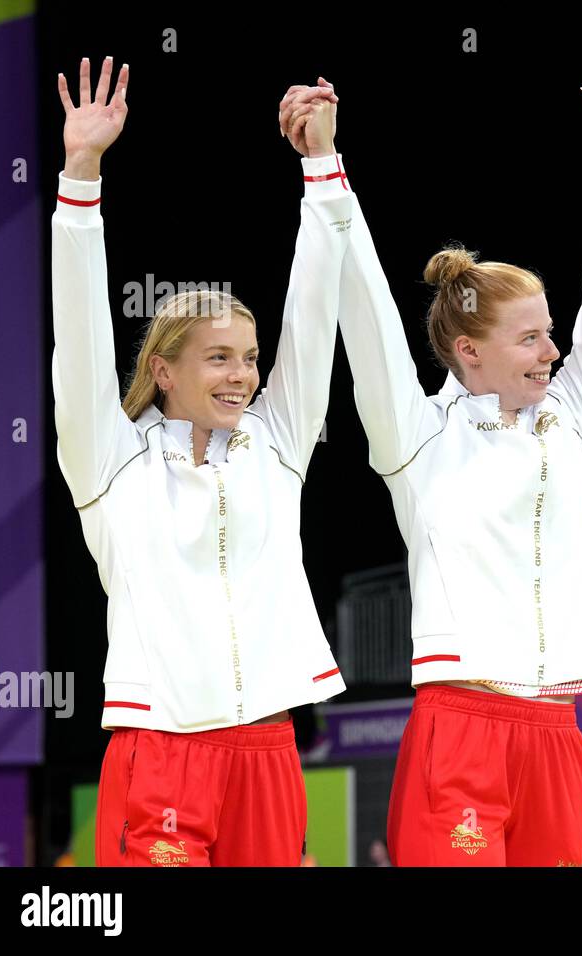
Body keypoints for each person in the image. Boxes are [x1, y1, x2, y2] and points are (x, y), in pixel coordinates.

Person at [278, 66, 582, 866]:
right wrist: (324, 167)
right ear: (468, 350)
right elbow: (368, 308)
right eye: (531, 339)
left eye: (551, 335)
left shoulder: (572, 420)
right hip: (462, 723)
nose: (554, 352)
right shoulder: (416, 435)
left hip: (558, 729)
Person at [54, 59, 349, 866]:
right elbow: (78, 342)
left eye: (250, 359)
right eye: (219, 358)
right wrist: (82, 177)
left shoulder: (277, 446)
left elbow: (316, 311)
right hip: (161, 746)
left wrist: (321, 166)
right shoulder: (110, 462)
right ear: (163, 370)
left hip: (268, 750)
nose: (244, 375)